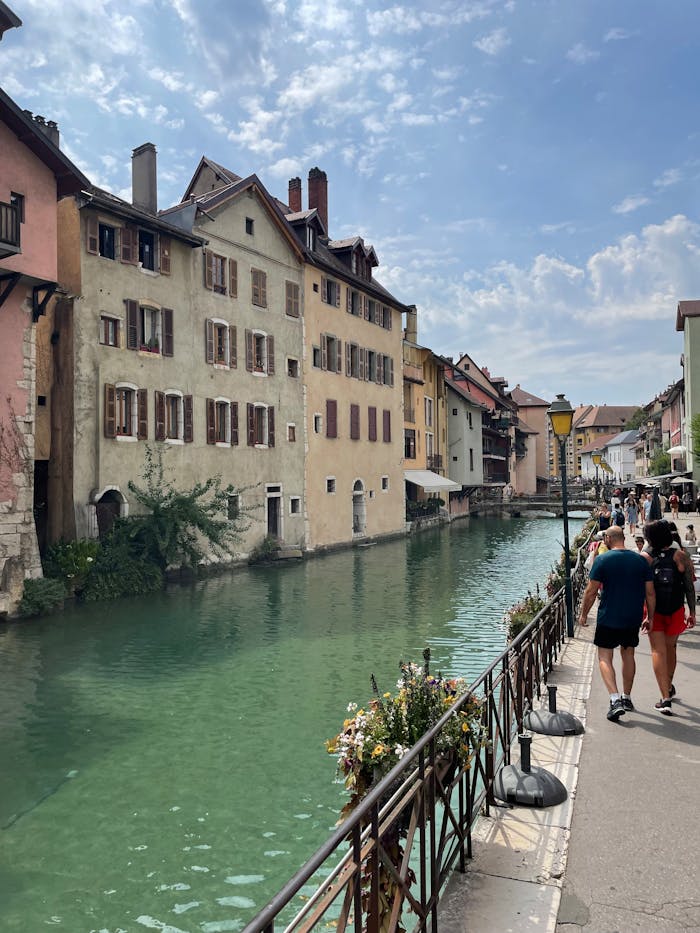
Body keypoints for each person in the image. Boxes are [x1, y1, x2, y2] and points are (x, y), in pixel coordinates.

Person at [578, 525, 655, 722]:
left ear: (609, 539)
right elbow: (650, 592)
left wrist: (584, 614)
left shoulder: (602, 559)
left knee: (604, 655)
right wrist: (650, 617)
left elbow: (591, 591)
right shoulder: (640, 560)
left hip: (608, 615)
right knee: (628, 653)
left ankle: (614, 699)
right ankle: (627, 697)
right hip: (632, 616)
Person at [642, 520, 696, 715]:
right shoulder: (681, 556)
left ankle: (665, 697)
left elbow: (643, 589)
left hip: (653, 611)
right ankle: (669, 684)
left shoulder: (646, 558)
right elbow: (689, 587)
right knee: (671, 648)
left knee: (657, 651)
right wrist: (693, 612)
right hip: (676, 610)